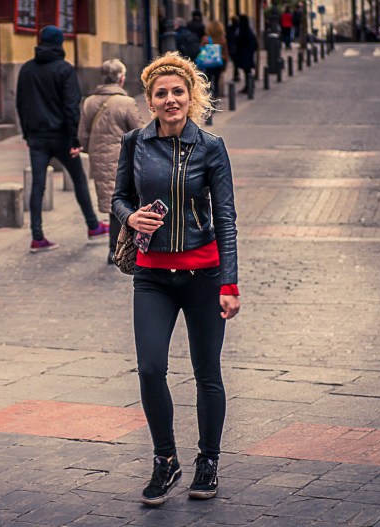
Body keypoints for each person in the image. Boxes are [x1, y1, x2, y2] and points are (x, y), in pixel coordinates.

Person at [111, 51, 240, 506]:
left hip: (203, 275)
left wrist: (230, 283)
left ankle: (208, 460)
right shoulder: (135, 143)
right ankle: (166, 461)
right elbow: (119, 197)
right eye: (161, 93)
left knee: (208, 373)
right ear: (149, 100)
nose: (170, 100)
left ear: (191, 96)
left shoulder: (211, 146)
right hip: (151, 277)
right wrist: (132, 218)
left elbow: (225, 218)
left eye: (178, 92)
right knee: (149, 369)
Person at [16, 25, 109, 253]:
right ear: (60, 44)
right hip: (62, 138)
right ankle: (93, 225)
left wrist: (27, 134)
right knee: (78, 179)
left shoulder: (27, 69)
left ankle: (37, 237)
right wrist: (76, 140)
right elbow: (71, 107)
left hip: (37, 137)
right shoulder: (64, 69)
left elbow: (21, 104)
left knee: (38, 186)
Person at [78, 59, 144, 264]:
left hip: (99, 159)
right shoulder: (126, 103)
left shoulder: (89, 102)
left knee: (112, 203)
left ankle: (114, 248)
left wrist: (95, 151)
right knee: (125, 201)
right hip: (123, 160)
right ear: (121, 79)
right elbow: (139, 133)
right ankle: (126, 248)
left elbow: (82, 135)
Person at [200, 20, 229, 99]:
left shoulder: (205, 39)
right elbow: (226, 54)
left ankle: (209, 100)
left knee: (208, 82)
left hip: (207, 63)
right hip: (218, 63)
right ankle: (215, 99)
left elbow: (201, 50)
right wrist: (225, 65)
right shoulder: (222, 39)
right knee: (216, 82)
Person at [232, 15, 257, 94]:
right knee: (247, 71)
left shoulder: (242, 31)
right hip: (247, 55)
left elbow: (238, 40)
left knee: (247, 71)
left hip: (244, 55)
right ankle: (250, 85)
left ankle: (249, 86)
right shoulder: (248, 30)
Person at [226, 16, 240, 82]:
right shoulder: (239, 28)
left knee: (235, 63)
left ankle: (236, 74)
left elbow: (228, 38)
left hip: (232, 48)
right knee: (236, 63)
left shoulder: (229, 28)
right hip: (236, 48)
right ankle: (236, 74)